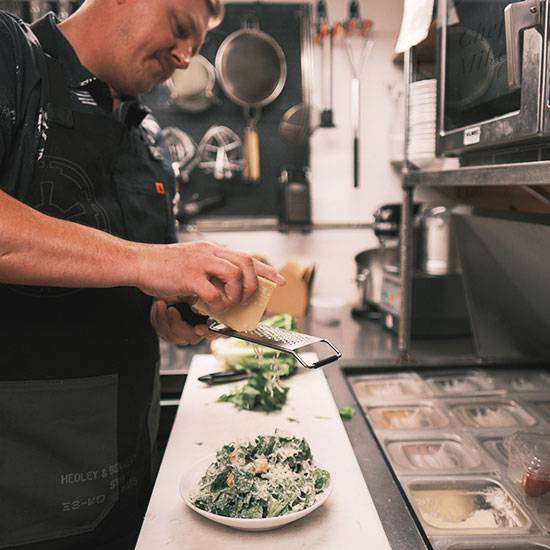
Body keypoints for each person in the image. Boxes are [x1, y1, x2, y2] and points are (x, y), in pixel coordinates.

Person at [0, 1, 285, 548]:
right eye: (179, 29)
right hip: (19, 487)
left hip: (128, 481)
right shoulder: (10, 60)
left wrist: (177, 313)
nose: (183, 57)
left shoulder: (149, 137)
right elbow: (141, 261)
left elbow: (136, 290)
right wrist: (149, 261)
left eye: (195, 46)